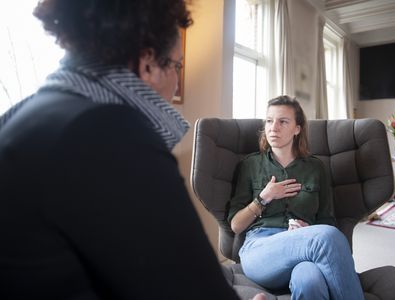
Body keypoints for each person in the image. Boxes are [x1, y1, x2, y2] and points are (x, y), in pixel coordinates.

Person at [0, 1, 267, 299]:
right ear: (148, 62)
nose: (178, 80)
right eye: (177, 65)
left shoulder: (22, 116)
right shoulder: (109, 133)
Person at [228, 95, 364, 300]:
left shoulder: (316, 168)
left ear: (297, 129)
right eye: (269, 121)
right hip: (260, 250)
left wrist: (307, 231)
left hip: (304, 252)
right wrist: (263, 198)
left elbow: (326, 220)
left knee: (310, 280)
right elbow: (236, 225)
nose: (274, 127)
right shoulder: (251, 165)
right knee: (327, 237)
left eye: (283, 121)